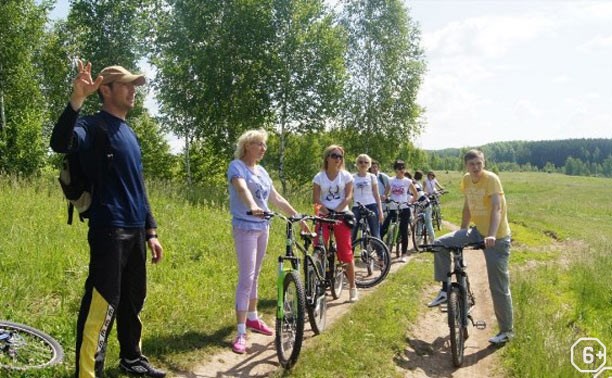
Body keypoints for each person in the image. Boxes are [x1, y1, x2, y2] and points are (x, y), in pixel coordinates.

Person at [50, 60, 166, 378]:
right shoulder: (92, 126)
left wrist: (151, 231)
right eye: (126, 85)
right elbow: (59, 143)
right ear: (105, 89)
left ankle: (131, 358)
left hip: (134, 230)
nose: (133, 91)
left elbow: (138, 186)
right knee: (102, 304)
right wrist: (76, 99)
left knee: (132, 301)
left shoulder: (129, 132)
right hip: (108, 228)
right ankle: (88, 372)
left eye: (134, 86)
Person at [228, 129, 307, 354]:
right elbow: (241, 188)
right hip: (246, 226)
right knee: (246, 277)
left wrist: (296, 216)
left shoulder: (261, 171)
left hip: (264, 227)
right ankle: (241, 331)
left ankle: (253, 317)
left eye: (264, 145)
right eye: (259, 144)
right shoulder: (237, 166)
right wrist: (252, 206)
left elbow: (275, 197)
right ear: (247, 146)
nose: (264, 148)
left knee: (256, 273)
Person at [427, 150, 514, 345]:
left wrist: (491, 234)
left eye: (479, 163)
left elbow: (497, 208)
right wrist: (461, 232)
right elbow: (468, 206)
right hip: (477, 231)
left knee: (498, 286)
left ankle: (507, 331)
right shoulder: (466, 180)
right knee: (439, 244)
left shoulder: (491, 179)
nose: (476, 167)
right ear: (466, 165)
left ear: (483, 163)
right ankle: (444, 290)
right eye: (472, 164)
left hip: (497, 238)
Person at [313, 145, 359, 302]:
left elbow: (348, 197)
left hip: (341, 214)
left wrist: (337, 211)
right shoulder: (319, 177)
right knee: (318, 247)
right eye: (334, 156)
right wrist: (326, 212)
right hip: (324, 215)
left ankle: (353, 287)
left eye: (340, 156)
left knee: (345, 252)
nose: (338, 159)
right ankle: (317, 281)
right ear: (327, 158)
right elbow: (316, 200)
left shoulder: (346, 176)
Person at [380, 160, 418, 262]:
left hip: (404, 208)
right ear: (395, 170)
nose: (401, 170)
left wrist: (410, 202)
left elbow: (416, 195)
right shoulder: (391, 180)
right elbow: (386, 193)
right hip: (393, 208)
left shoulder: (407, 181)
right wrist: (384, 197)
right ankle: (380, 251)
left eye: (403, 168)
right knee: (383, 229)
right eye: (399, 168)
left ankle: (403, 254)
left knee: (403, 231)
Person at [351, 154, 384, 240]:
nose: (363, 164)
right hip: (357, 206)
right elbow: (349, 194)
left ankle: (380, 253)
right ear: (357, 164)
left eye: (366, 162)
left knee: (375, 234)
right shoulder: (352, 177)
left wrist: (380, 211)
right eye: (360, 162)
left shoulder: (372, 177)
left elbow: (376, 194)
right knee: (352, 233)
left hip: (371, 205)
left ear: (369, 164)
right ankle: (350, 253)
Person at [413, 170, 435, 242]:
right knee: (424, 222)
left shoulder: (414, 185)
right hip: (424, 204)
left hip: (424, 204)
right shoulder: (417, 184)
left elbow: (415, 196)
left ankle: (431, 240)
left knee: (427, 222)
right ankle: (425, 239)